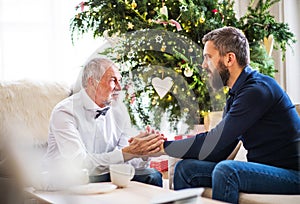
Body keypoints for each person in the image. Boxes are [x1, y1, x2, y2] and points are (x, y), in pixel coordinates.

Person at [159, 27, 300, 203]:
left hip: (292, 176)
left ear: (229, 58)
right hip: (264, 170)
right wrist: (168, 146)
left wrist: (163, 147)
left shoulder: (257, 90)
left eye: (208, 58)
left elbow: (215, 141)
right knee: (185, 169)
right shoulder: (236, 95)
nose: (203, 65)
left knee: (227, 171)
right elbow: (219, 149)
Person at [43, 57, 164, 188]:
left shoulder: (119, 110)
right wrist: (128, 152)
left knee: (152, 175)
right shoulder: (65, 112)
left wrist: (144, 151)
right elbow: (79, 164)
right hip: (71, 178)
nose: (119, 87)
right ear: (92, 82)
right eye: (113, 80)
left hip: (107, 173)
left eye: (120, 81)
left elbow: (124, 160)